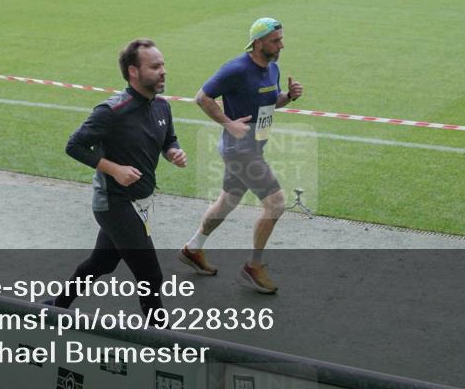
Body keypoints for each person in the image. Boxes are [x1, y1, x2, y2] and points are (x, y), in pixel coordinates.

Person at [56, 39, 186, 314]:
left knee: (101, 263)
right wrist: (114, 169)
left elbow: (168, 140)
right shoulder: (111, 111)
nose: (163, 71)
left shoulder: (162, 106)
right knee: (151, 276)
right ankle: (160, 341)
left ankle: (56, 307)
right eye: (155, 66)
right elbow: (74, 146)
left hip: (140, 203)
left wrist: (173, 152)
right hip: (114, 203)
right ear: (134, 72)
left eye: (163, 65)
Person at [179, 18, 302, 294]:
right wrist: (227, 122)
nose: (281, 44)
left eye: (281, 39)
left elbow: (270, 102)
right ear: (258, 43)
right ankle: (253, 267)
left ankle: (192, 248)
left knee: (227, 202)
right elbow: (202, 97)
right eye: (275, 41)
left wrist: (288, 97)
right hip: (240, 150)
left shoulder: (273, 68)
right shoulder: (236, 69)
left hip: (254, 146)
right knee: (276, 204)